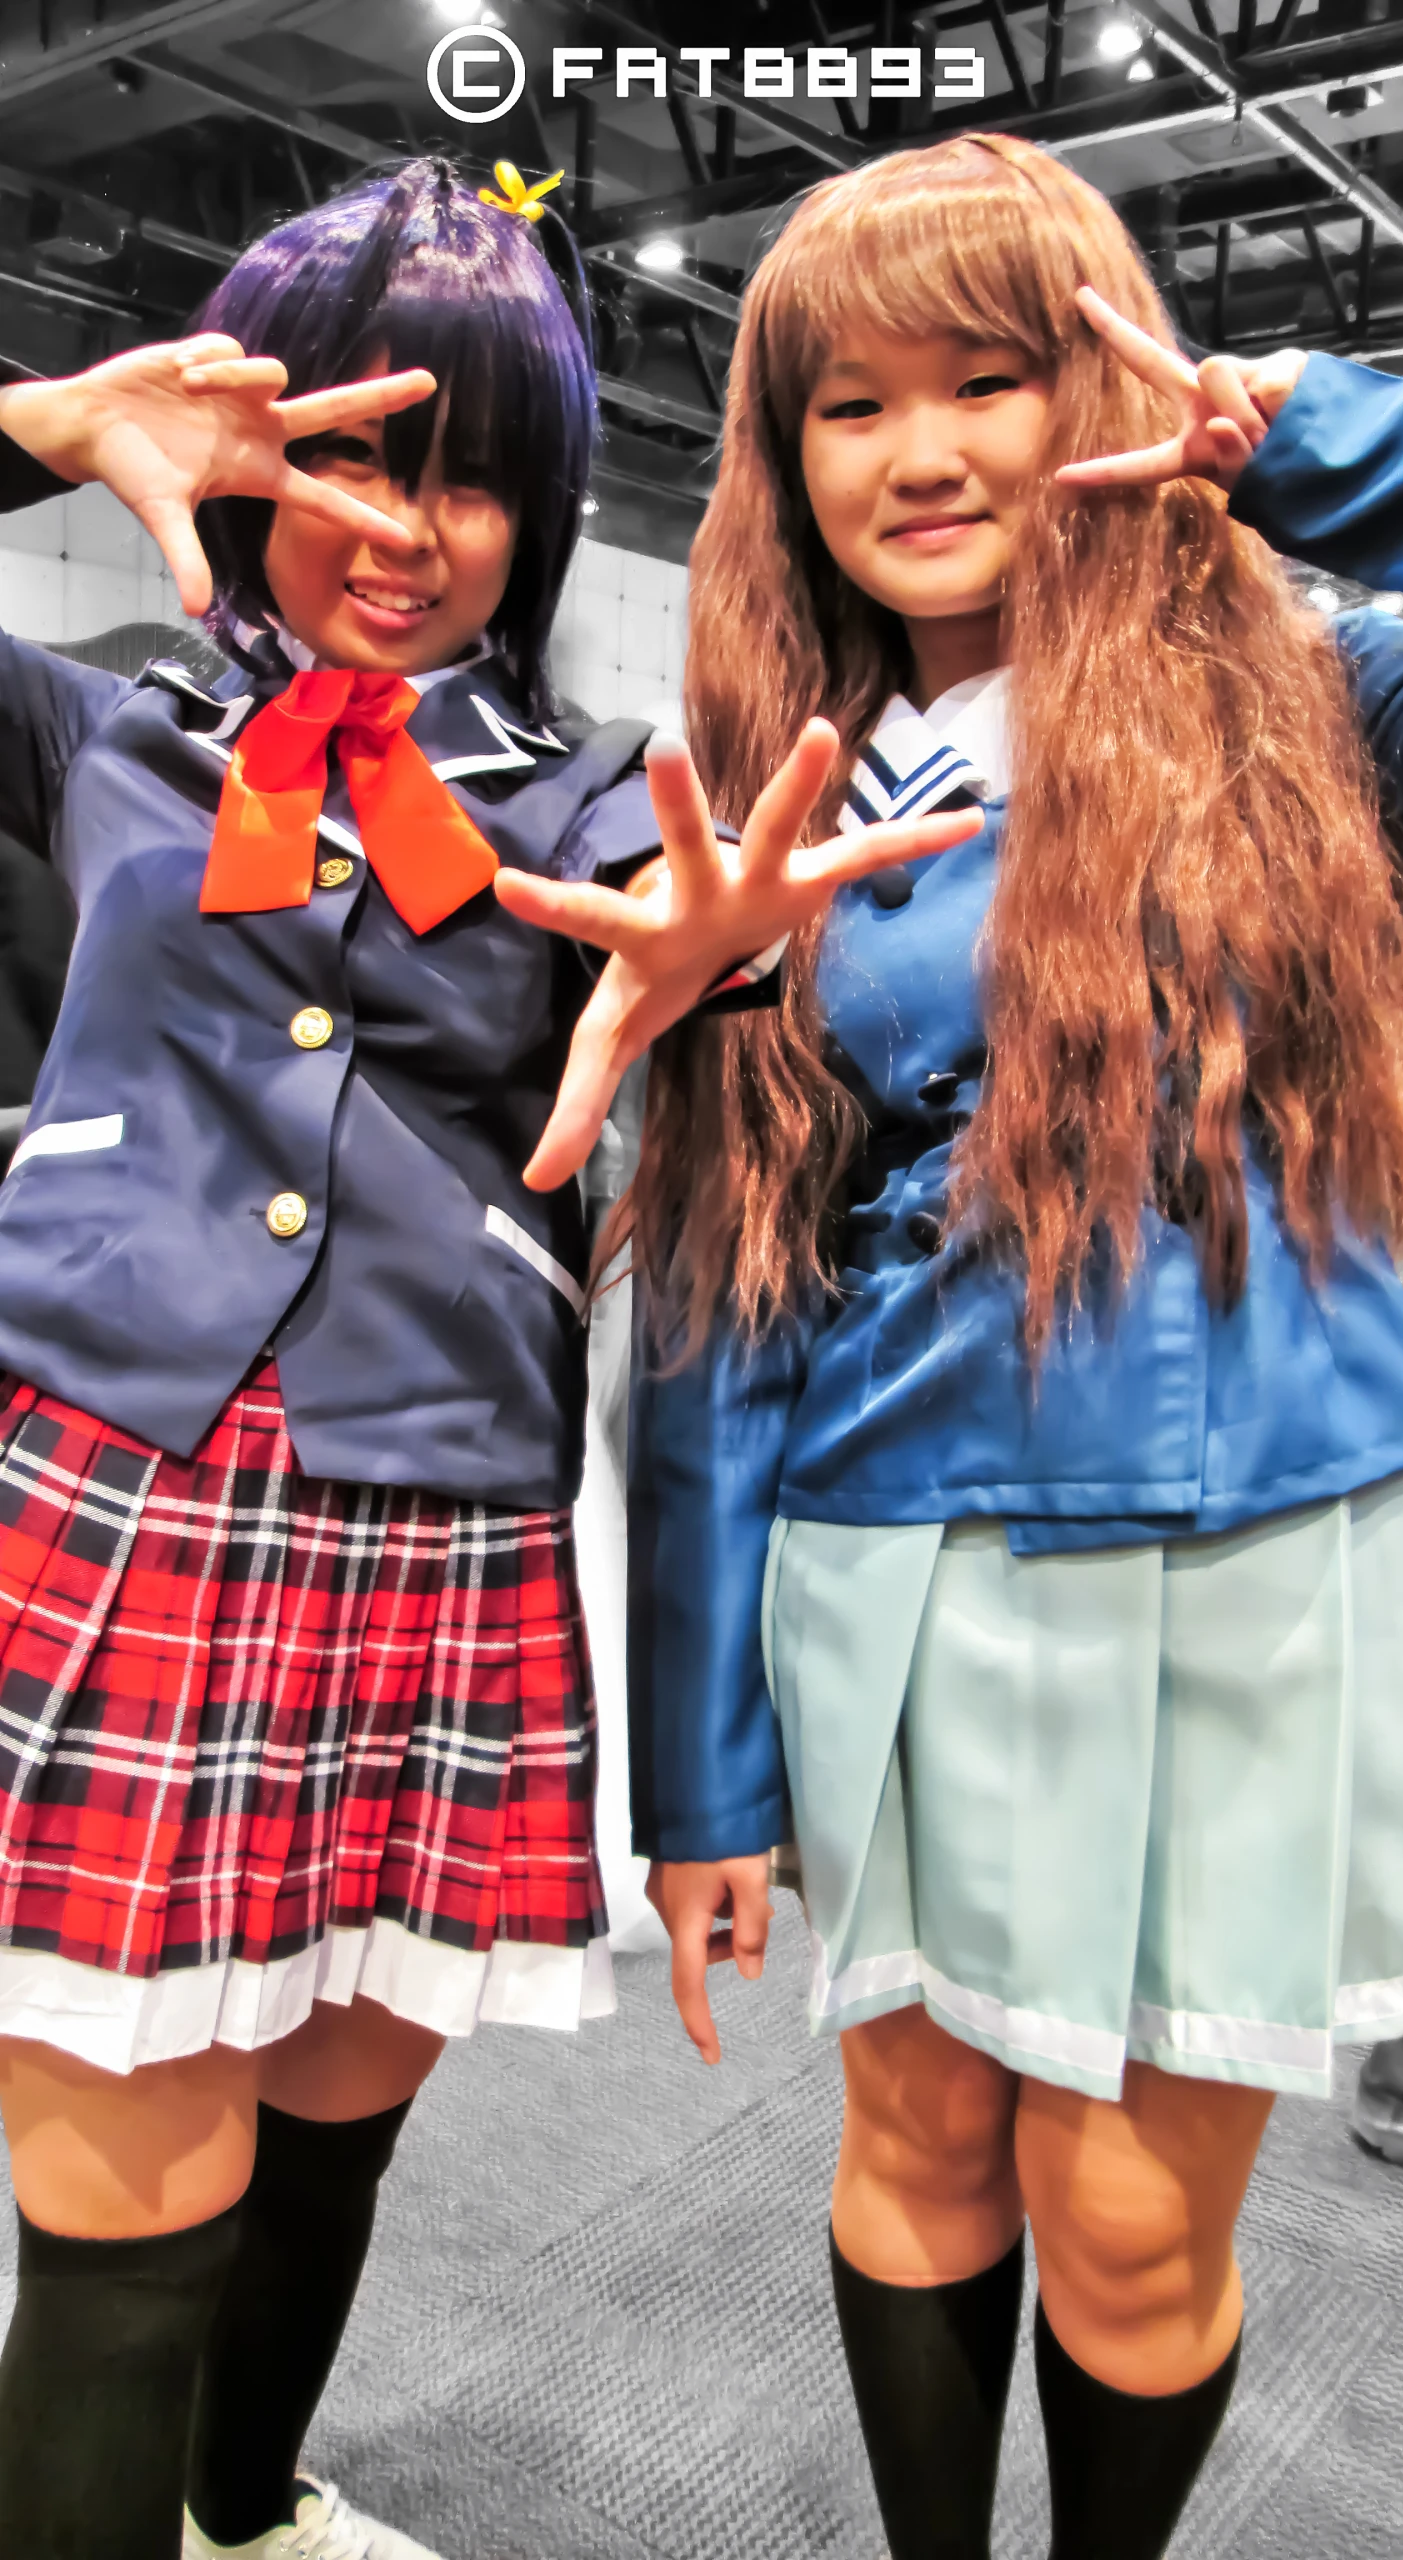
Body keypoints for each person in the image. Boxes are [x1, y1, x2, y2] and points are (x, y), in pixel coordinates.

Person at [0, 157, 966, 2560]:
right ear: (247, 455)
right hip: (124, 1492)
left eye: (477, 475)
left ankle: (251, 2504)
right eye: (350, 450)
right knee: (125, 2189)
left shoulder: (592, 796)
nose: (409, 526)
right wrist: (20, 418)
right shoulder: (89, 724)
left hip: (441, 1521)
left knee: (339, 2110)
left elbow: (683, 939)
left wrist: (728, 959)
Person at [572, 135, 1403, 2560]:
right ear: (784, 460)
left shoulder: (1326, 701)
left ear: (1111, 382)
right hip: (901, 1550)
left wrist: (1324, 435)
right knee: (921, 2141)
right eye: (850, 404)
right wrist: (704, 1773)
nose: (925, 452)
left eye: (995, 375)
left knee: (1142, 2224)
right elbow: (727, 1301)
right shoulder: (777, 803)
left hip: (1268, 1554)